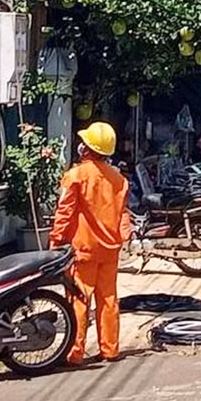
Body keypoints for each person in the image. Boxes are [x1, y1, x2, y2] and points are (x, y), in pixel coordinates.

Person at [49, 121, 131, 365]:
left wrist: (55, 242)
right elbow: (123, 216)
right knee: (108, 300)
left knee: (79, 299)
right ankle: (110, 349)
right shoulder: (119, 180)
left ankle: (75, 352)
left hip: (83, 250)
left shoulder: (75, 177)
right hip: (110, 250)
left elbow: (64, 213)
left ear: (86, 149)